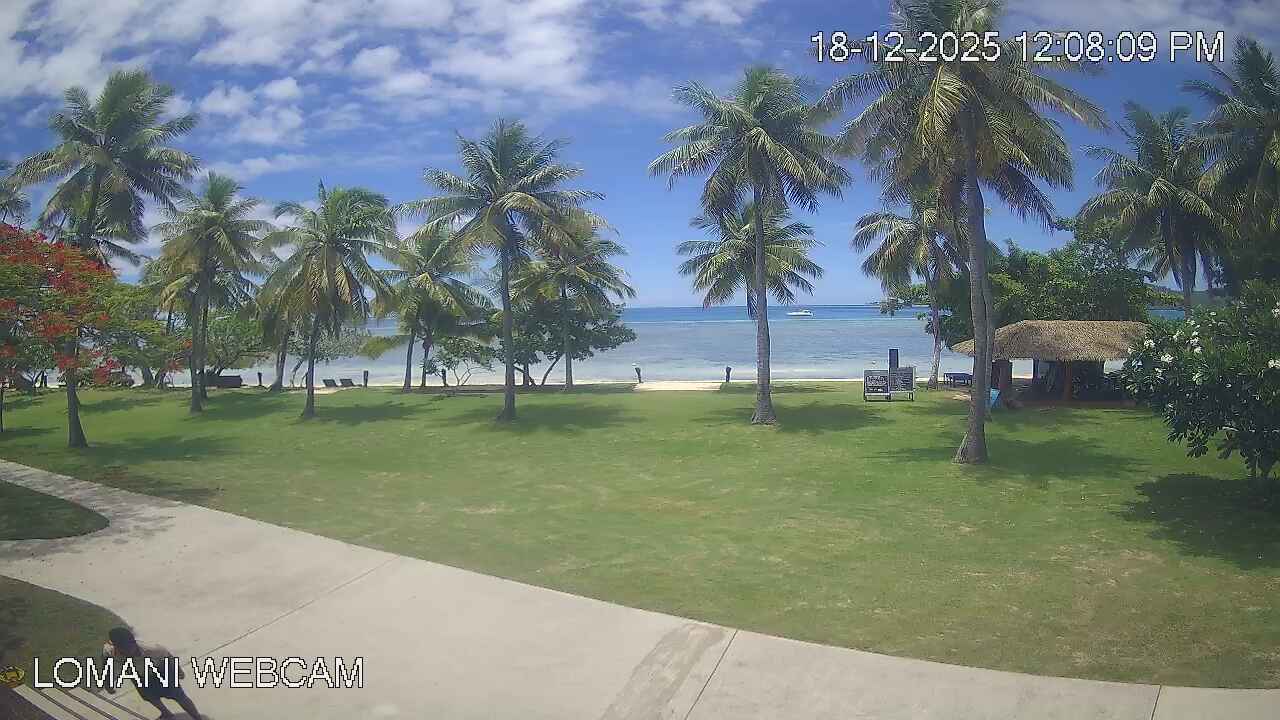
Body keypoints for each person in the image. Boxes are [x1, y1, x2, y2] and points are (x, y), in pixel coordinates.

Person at [101, 627, 202, 719]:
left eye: (128, 648)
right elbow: (107, 669)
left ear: (134, 643)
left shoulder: (153, 649)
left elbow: (169, 657)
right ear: (116, 646)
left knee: (178, 695)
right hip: (138, 675)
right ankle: (166, 713)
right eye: (122, 649)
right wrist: (108, 685)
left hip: (160, 670)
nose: (127, 651)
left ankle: (197, 717)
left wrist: (179, 671)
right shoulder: (109, 652)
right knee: (149, 697)